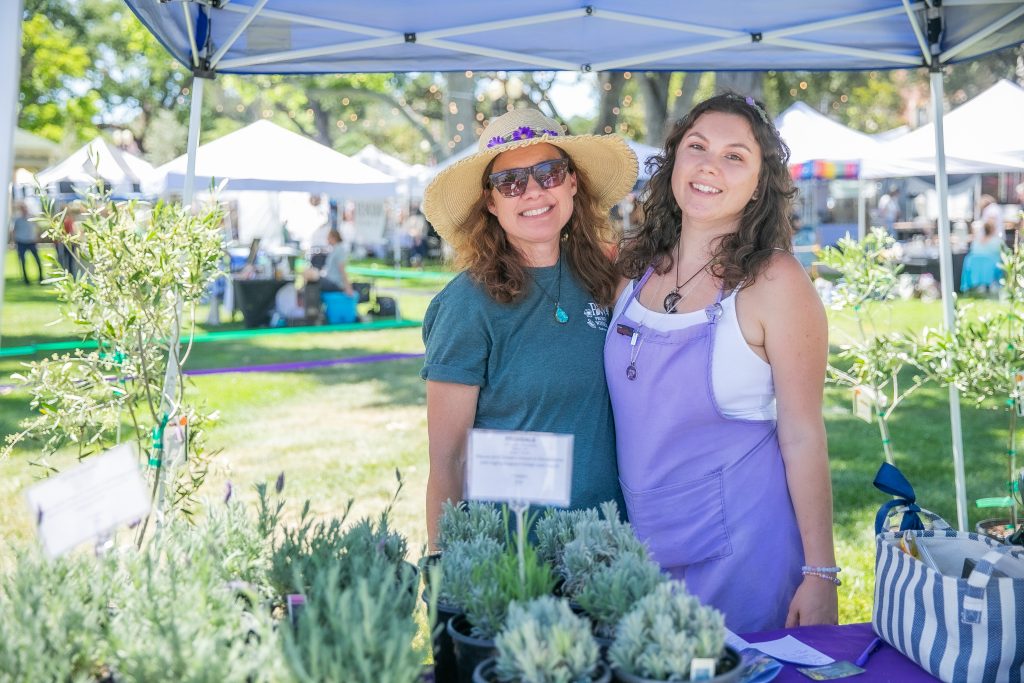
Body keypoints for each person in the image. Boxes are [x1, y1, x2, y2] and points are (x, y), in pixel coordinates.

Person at [606, 93, 838, 633]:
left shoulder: (776, 282)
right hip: (637, 554)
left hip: (745, 554)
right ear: (673, 165)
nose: (710, 165)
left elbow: (803, 433)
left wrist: (821, 571)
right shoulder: (631, 269)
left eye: (735, 156)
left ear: (760, 184)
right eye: (697, 147)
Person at [420, 108, 638, 548]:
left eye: (549, 173)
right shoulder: (466, 304)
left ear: (573, 182)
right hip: (512, 557)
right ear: (492, 202)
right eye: (511, 182)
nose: (533, 191)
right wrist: (445, 571)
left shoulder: (607, 280)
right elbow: (448, 461)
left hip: (607, 546)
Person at [960, 220, 1003, 294]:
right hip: (992, 265)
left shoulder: (976, 241)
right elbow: (1004, 252)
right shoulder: (997, 241)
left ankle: (980, 285)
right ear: (993, 229)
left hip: (976, 264)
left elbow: (972, 251)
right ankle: (993, 284)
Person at [11, 202, 43, 285]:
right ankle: (26, 280)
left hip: (31, 241)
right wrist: (13, 242)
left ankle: (41, 278)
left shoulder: (32, 217)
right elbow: (14, 231)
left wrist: (38, 237)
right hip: (21, 242)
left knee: (37, 260)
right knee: (23, 261)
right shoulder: (17, 219)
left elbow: (38, 227)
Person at [319, 229, 354, 296]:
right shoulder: (334, 249)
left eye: (328, 237)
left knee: (313, 279)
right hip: (329, 279)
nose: (327, 239)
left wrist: (348, 287)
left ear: (334, 238)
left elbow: (342, 269)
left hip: (335, 282)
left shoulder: (340, 250)